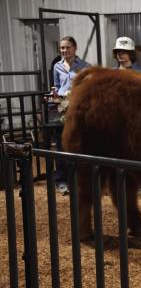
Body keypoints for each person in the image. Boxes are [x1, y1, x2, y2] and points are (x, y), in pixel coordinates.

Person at [52, 36, 90, 195]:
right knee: (61, 144)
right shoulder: (57, 66)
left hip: (78, 109)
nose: (64, 51)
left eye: (67, 47)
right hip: (61, 109)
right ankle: (61, 180)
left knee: (80, 145)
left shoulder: (85, 66)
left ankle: (82, 180)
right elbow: (57, 86)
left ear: (75, 48)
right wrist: (55, 97)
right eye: (62, 48)